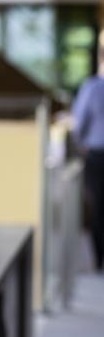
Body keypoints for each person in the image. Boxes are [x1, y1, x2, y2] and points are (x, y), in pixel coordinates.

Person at [72, 68, 104, 272]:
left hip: (97, 155)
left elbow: (79, 123)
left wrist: (80, 144)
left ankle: (99, 259)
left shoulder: (92, 88)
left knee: (98, 207)